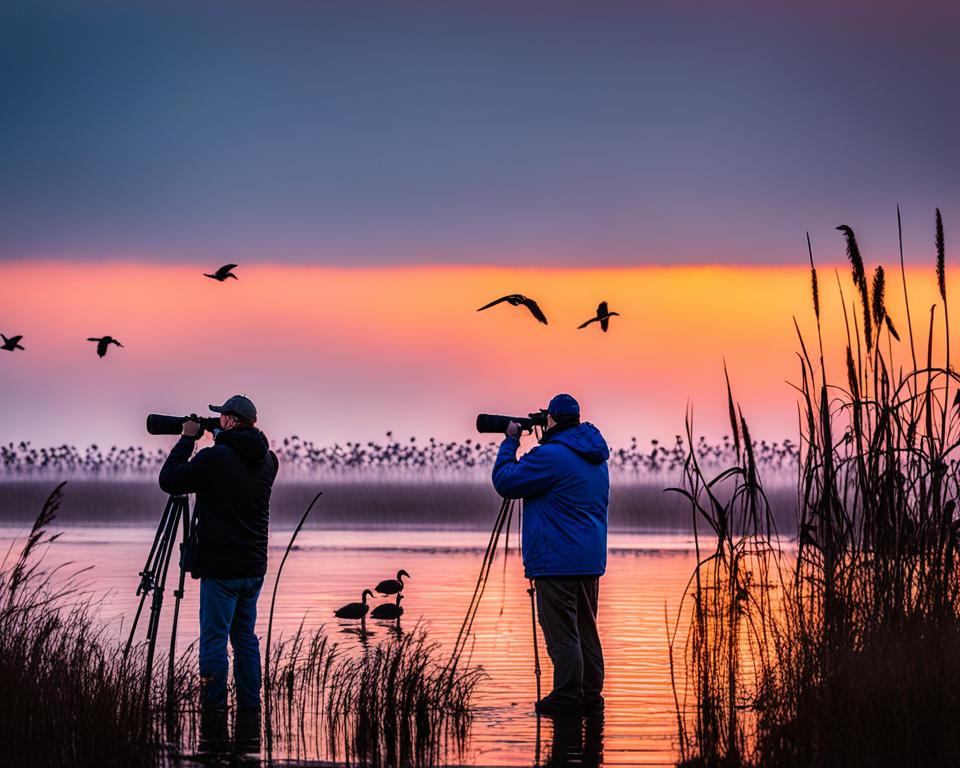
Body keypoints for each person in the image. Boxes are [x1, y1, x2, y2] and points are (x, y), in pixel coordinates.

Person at [159, 394, 279, 712]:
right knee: (245, 638)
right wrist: (218, 437)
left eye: (222, 417)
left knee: (214, 640)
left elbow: (169, 480)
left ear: (230, 420)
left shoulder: (214, 459)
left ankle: (213, 709)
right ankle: (250, 707)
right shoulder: (270, 461)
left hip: (221, 570)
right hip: (253, 568)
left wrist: (187, 439)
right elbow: (239, 461)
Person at [492, 393, 610, 715]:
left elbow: (505, 481)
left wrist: (510, 442)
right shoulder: (596, 457)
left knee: (561, 632)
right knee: (586, 631)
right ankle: (590, 696)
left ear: (553, 420)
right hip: (588, 561)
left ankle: (567, 696)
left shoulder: (551, 456)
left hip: (556, 561)